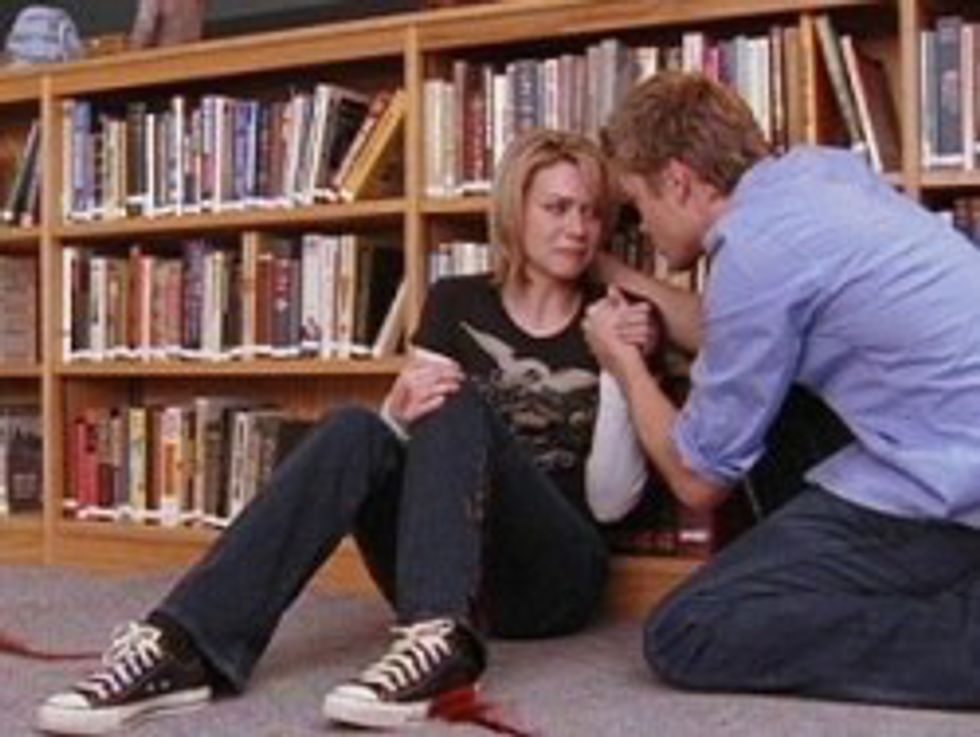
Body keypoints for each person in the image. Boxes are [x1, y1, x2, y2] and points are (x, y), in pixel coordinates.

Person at [36, 128, 656, 735]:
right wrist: (395, 415)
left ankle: (441, 642)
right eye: (557, 208)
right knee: (358, 427)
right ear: (514, 211)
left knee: (456, 400)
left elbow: (610, 502)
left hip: (554, 575)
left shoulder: (614, 318)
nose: (578, 228)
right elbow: (405, 448)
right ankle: (184, 644)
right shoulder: (455, 302)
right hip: (445, 565)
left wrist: (618, 365)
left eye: (591, 212)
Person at [584, 68, 980, 709]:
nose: (642, 226)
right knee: (781, 393)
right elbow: (733, 334)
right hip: (953, 451)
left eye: (637, 204)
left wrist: (624, 364)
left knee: (689, 631)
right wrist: (609, 270)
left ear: (678, 181)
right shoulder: (819, 175)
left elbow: (698, 478)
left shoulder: (754, 252)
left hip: (952, 492)